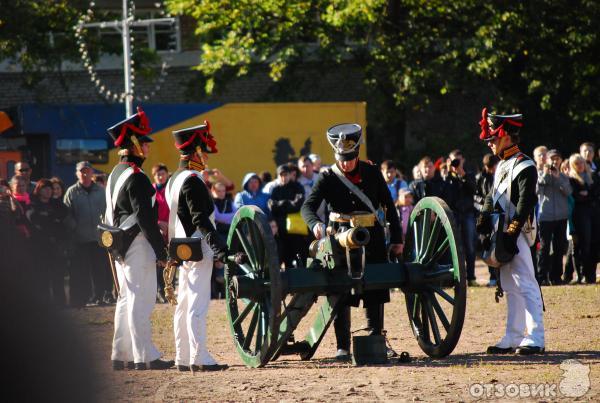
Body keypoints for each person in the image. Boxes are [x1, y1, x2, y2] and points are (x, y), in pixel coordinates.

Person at [301, 123, 403, 359]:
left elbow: (388, 205)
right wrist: (316, 224)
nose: (345, 163)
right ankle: (342, 346)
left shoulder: (372, 172)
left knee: (376, 287)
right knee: (340, 290)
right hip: (339, 240)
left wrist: (397, 238)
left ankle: (376, 336)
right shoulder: (327, 176)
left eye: (349, 158)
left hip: (373, 238)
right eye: (342, 159)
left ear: (357, 154)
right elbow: (308, 207)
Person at [105, 107, 173, 371]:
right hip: (137, 243)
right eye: (143, 142)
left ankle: (120, 354)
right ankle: (144, 355)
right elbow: (143, 217)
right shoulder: (137, 177)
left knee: (126, 299)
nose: (147, 147)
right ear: (133, 145)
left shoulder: (115, 173)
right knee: (141, 299)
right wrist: (161, 250)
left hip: (121, 243)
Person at [476, 108, 544, 355]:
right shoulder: (503, 165)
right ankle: (513, 335)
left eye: (493, 138)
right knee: (508, 284)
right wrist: (483, 216)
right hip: (500, 232)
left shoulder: (525, 165)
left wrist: (512, 232)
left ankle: (536, 336)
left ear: (506, 136)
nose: (490, 143)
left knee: (526, 282)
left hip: (518, 232)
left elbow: (526, 203)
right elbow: (492, 196)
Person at [166, 122, 229, 372]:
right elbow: (199, 219)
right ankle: (199, 356)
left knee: (184, 303)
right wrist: (219, 248)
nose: (206, 157)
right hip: (197, 245)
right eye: (204, 151)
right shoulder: (192, 180)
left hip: (181, 246)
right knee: (197, 303)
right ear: (195, 153)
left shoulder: (175, 178)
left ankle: (183, 356)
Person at [64, 161, 112, 307]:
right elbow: (67, 214)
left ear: (92, 173)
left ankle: (100, 296)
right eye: (81, 171)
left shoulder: (101, 191)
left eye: (87, 171)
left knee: (99, 270)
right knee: (82, 271)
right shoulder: (71, 192)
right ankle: (84, 298)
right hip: (81, 240)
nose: (85, 174)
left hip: (99, 239)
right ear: (77, 174)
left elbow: (108, 211)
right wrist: (75, 227)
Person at [26, 179, 70, 306]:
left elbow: (63, 216)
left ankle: (60, 303)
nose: (48, 191)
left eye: (50, 188)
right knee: (43, 277)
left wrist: (50, 218)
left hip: (56, 245)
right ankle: (45, 305)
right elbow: (34, 219)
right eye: (45, 188)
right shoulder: (33, 204)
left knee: (58, 276)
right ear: (39, 190)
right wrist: (51, 219)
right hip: (40, 246)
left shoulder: (57, 204)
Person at [536, 149, 572, 285]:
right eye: (552, 159)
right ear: (547, 160)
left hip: (561, 217)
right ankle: (541, 277)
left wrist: (558, 178)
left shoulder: (563, 176)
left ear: (561, 160)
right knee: (544, 248)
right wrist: (545, 175)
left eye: (557, 159)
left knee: (558, 248)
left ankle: (556, 276)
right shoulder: (540, 175)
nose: (554, 161)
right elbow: (536, 191)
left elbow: (568, 192)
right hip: (546, 216)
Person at [444, 149, 478, 286]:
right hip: (453, 214)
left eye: (458, 159)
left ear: (463, 160)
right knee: (453, 246)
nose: (456, 162)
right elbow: (445, 193)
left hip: (468, 213)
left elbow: (473, 189)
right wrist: (448, 172)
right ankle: (455, 277)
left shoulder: (469, 175)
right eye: (453, 160)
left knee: (469, 246)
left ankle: (471, 277)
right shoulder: (447, 178)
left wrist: (462, 174)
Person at [269, 164, 306, 268]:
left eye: (286, 174)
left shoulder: (297, 187)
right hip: (281, 231)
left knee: (300, 256)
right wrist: (288, 203)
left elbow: (298, 205)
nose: (283, 177)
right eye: (281, 175)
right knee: (284, 256)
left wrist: (281, 204)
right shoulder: (276, 190)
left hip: (296, 229)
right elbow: (272, 207)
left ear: (290, 175)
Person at [568, 153, 596, 284]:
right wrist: (586, 196)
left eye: (581, 162)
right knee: (582, 244)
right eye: (576, 163)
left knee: (593, 244)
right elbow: (576, 197)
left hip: (593, 214)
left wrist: (587, 195)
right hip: (580, 215)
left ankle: (591, 275)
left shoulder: (592, 177)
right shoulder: (571, 180)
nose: (580, 165)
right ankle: (582, 274)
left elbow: (595, 194)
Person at [475, 153, 499, 286]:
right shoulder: (479, 178)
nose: (491, 169)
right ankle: (492, 276)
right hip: (484, 215)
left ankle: (500, 276)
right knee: (487, 244)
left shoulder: (500, 175)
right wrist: (484, 204)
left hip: (497, 214)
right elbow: (474, 196)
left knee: (498, 244)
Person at [152, 163, 170, 303]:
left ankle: (169, 289)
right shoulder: (150, 190)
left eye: (163, 173)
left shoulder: (171, 189)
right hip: (156, 229)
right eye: (158, 174)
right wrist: (158, 222)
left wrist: (169, 225)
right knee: (158, 261)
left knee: (172, 260)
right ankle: (159, 290)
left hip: (171, 230)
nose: (160, 176)